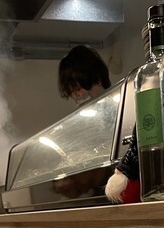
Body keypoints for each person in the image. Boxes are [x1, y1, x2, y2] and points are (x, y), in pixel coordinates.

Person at [58, 45, 140, 204]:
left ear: (96, 78)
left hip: (126, 185)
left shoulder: (120, 105)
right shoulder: (85, 117)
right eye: (72, 92)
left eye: (78, 88)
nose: (76, 95)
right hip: (103, 191)